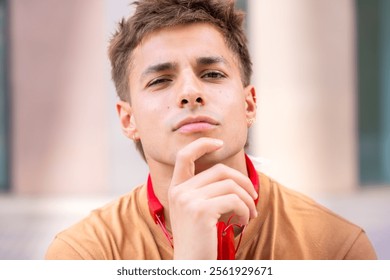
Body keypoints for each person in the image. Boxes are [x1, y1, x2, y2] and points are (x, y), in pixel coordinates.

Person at [45, 0, 377, 260]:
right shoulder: (83, 254)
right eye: (160, 80)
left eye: (213, 74)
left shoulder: (338, 248)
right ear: (128, 120)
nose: (191, 92)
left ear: (249, 105)